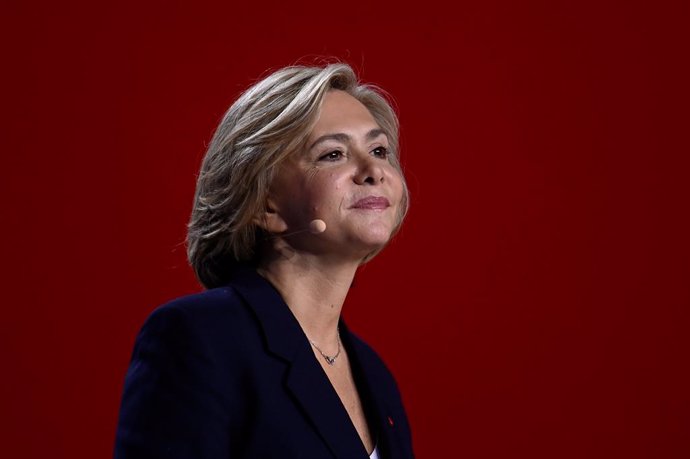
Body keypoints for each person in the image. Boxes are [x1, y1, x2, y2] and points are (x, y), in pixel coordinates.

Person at [114, 61, 414, 459]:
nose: (373, 170)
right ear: (264, 204)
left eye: (379, 150)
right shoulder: (200, 338)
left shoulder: (375, 376)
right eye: (333, 154)